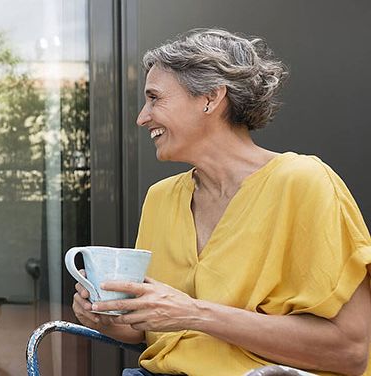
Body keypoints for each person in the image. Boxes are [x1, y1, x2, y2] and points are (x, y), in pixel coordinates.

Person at [72, 28, 371, 375]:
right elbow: (147, 330)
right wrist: (104, 316)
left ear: (211, 98)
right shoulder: (161, 198)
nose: (141, 117)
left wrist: (194, 313)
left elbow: (350, 350)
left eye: (154, 98)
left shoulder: (303, 183)